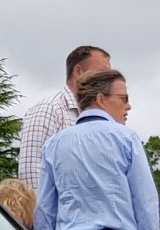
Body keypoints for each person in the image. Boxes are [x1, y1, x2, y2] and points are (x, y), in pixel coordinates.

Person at [34, 69, 160, 230]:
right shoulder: (126, 138)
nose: (128, 106)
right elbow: (145, 203)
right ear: (101, 99)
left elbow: (45, 209)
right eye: (124, 98)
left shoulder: (55, 144)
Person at [16, 45, 112, 190]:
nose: (108, 81)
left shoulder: (100, 117)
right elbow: (30, 172)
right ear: (78, 71)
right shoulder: (48, 109)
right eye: (101, 73)